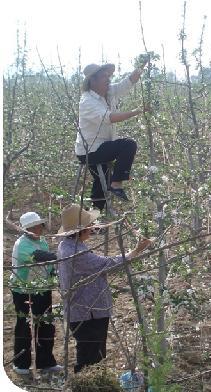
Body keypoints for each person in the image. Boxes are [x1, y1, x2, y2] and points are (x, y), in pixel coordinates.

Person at [56, 204, 151, 372]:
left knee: (94, 354)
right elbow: (106, 264)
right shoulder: (74, 252)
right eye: (89, 225)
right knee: (90, 358)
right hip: (87, 312)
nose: (92, 228)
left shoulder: (70, 245)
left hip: (88, 310)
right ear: (80, 229)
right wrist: (136, 251)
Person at [77, 58, 148, 209]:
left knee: (100, 182)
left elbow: (127, 82)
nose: (108, 79)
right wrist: (137, 111)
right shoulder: (87, 101)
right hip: (90, 150)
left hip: (101, 147)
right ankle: (116, 184)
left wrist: (142, 65)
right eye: (104, 76)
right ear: (92, 80)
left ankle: (94, 219)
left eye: (108, 76)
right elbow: (109, 118)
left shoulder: (108, 93)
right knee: (128, 145)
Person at [9, 212, 62, 375]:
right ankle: (21, 365)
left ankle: (45, 362)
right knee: (25, 326)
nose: (40, 228)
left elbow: (49, 266)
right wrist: (61, 256)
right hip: (23, 290)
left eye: (39, 225)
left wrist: (55, 274)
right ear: (28, 229)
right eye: (36, 226)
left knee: (46, 324)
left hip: (42, 288)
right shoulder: (22, 244)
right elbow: (40, 257)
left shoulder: (42, 241)